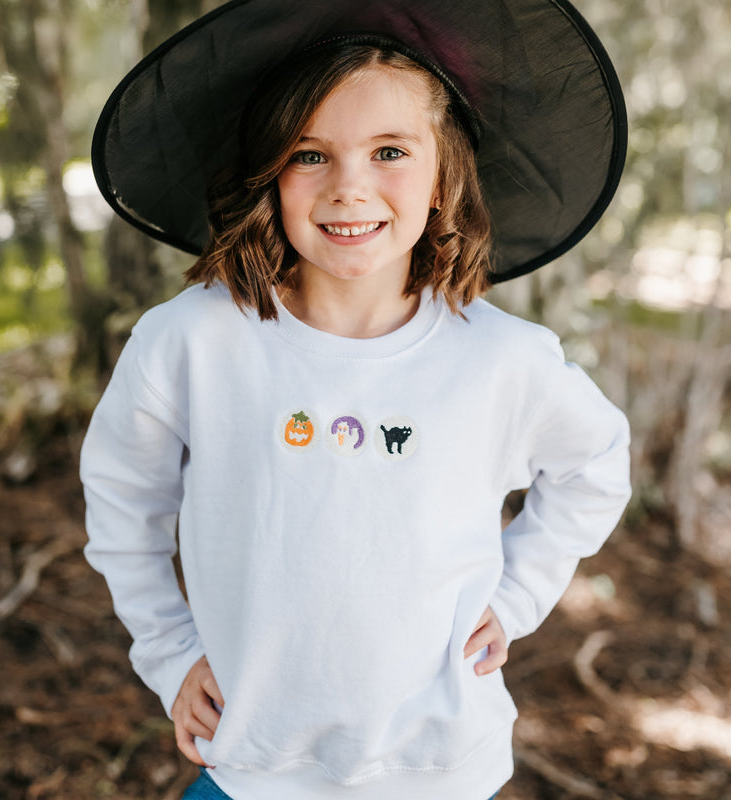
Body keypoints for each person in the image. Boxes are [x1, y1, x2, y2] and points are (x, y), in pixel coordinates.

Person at [81, 2, 632, 799]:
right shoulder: (191, 342)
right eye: (310, 154)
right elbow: (123, 500)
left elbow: (597, 464)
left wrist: (516, 598)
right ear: (269, 171)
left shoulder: (502, 360)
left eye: (390, 152)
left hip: (442, 770)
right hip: (252, 765)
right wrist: (169, 652)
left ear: (443, 175)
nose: (350, 187)